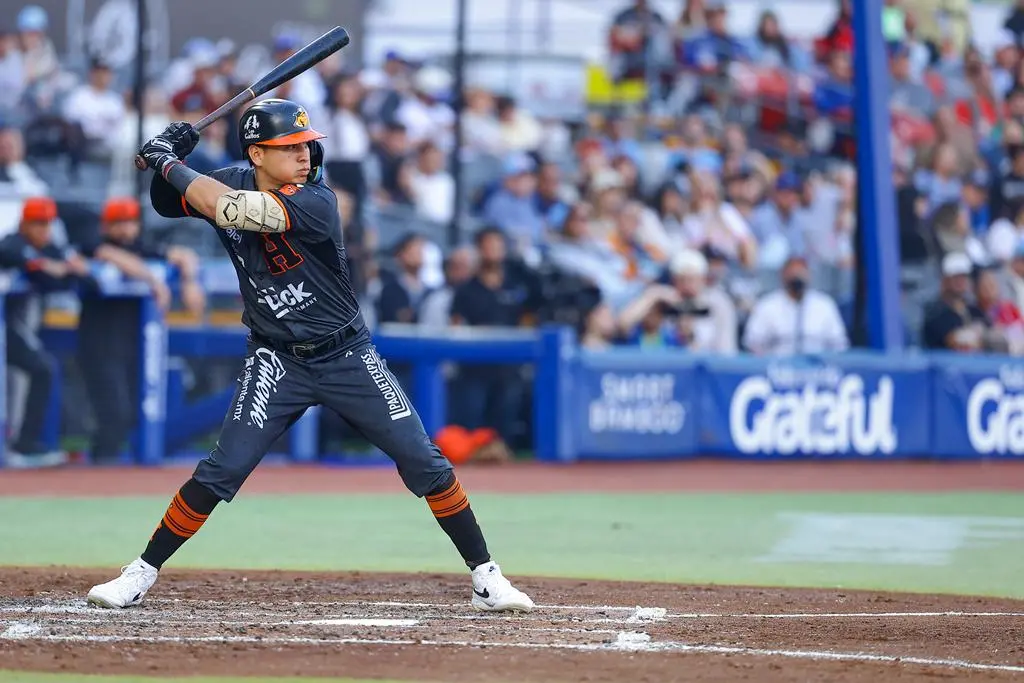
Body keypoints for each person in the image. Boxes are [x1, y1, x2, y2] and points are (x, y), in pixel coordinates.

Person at [85, 99, 533, 613]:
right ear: (256, 154)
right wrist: (169, 157)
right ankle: (139, 574)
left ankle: (486, 577)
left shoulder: (318, 201)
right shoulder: (232, 177)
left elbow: (228, 209)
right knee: (222, 468)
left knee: (423, 459)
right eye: (288, 147)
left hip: (346, 353)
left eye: (304, 143)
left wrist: (169, 162)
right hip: (276, 358)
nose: (305, 153)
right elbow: (170, 203)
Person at [77, 197, 205, 465]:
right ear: (106, 226)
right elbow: (107, 254)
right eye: (118, 223)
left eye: (129, 222)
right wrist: (153, 281)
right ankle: (98, 470)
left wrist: (189, 283)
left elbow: (184, 255)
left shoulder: (140, 248)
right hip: (98, 343)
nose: (124, 229)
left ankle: (117, 471)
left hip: (133, 343)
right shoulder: (93, 247)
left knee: (137, 412)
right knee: (113, 412)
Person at [0, 197, 90, 468]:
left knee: (42, 368)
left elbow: (79, 277)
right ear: (24, 224)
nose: (42, 230)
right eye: (37, 224)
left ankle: (25, 446)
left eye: (46, 224)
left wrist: (61, 268)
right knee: (41, 368)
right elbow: (42, 271)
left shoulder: (48, 246)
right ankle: (23, 445)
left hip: (8, 325)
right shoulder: (12, 243)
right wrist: (56, 268)